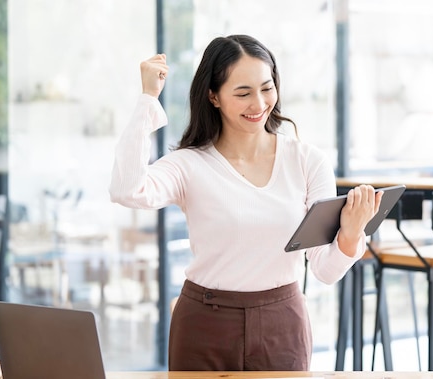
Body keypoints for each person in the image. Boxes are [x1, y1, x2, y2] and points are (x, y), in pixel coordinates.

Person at [109, 34, 383, 371]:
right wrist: (148, 100)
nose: (259, 104)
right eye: (243, 93)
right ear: (213, 96)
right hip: (203, 325)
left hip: (282, 323)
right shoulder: (189, 165)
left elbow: (325, 271)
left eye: (267, 88)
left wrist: (351, 235)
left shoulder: (307, 161)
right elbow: (125, 189)